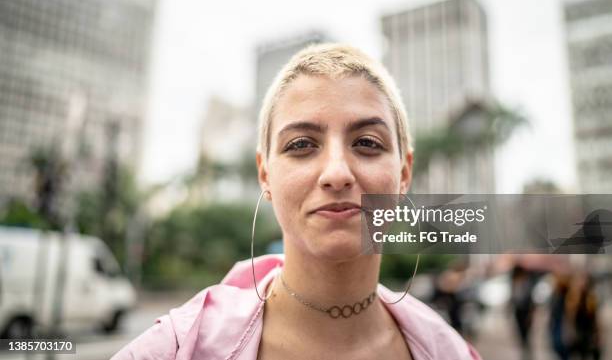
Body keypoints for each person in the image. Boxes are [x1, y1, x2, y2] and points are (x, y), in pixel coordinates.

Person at [111, 44, 482, 359]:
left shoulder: (450, 351)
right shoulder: (178, 348)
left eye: (367, 142)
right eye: (301, 144)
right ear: (265, 173)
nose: (337, 173)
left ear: (404, 173)